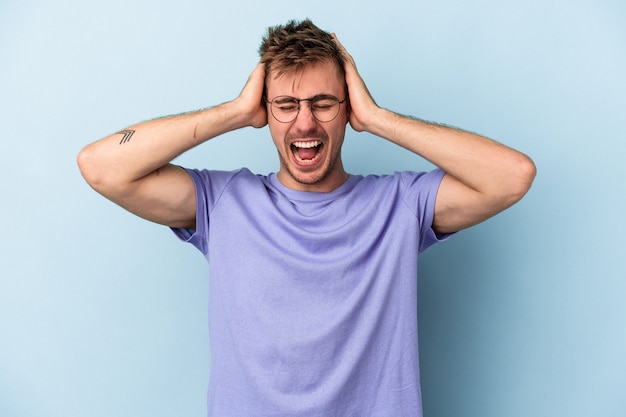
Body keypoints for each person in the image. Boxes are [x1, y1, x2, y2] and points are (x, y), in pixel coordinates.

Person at [78, 19, 535, 417]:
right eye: (286, 105)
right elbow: (101, 166)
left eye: (323, 103)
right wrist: (235, 112)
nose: (304, 124)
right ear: (267, 110)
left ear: (346, 108)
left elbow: (512, 176)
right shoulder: (223, 202)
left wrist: (376, 118)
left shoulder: (400, 204)